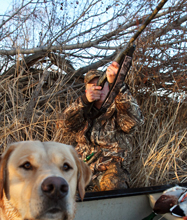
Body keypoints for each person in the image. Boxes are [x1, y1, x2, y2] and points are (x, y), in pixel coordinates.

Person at [59, 61, 143, 191]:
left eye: (102, 84)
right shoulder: (82, 109)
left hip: (109, 168)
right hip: (82, 166)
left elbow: (134, 121)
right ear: (87, 90)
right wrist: (84, 101)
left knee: (113, 185)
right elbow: (64, 125)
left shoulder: (119, 107)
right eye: (93, 85)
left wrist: (118, 85)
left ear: (109, 87)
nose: (98, 88)